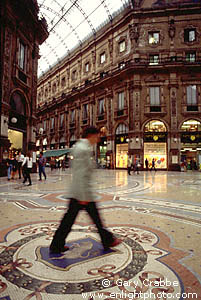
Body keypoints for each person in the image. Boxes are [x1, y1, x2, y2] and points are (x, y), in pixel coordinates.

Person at [50, 126, 121, 254]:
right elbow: (81, 173)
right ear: (91, 135)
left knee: (73, 219)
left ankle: (57, 244)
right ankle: (107, 240)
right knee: (92, 219)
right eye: (97, 135)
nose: (99, 138)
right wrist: (83, 196)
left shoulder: (81, 146)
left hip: (80, 191)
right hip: (82, 193)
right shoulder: (83, 149)